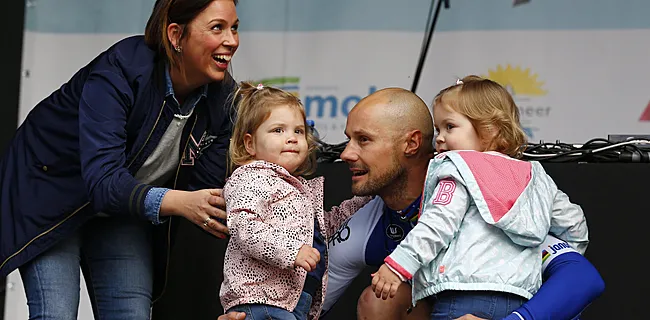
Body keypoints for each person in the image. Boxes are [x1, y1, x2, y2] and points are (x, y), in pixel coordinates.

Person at [0, 0, 240, 319]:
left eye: (235, 27)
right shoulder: (122, 68)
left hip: (124, 206)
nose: (232, 41)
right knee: (56, 313)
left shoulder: (225, 100)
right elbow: (104, 181)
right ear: (175, 35)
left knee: (131, 313)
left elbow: (202, 193)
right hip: (52, 192)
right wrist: (179, 201)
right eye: (217, 28)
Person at [321, 86, 605, 320]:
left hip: (506, 309)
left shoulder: (492, 191)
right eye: (349, 140)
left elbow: (581, 277)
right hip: (451, 303)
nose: (346, 154)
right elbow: (308, 308)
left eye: (364, 140)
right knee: (378, 300)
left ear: (411, 143)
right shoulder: (365, 224)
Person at [219, 83, 371, 320]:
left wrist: (364, 201)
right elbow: (245, 227)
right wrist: (292, 252)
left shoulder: (297, 188)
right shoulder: (251, 176)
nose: (291, 138)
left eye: (298, 131)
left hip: (291, 304)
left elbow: (320, 230)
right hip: (260, 300)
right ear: (249, 144)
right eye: (278, 130)